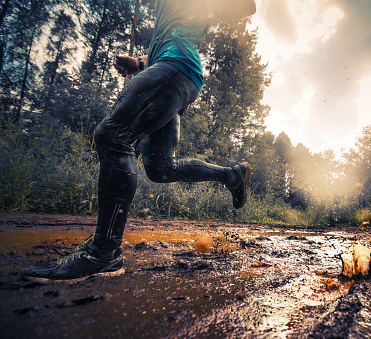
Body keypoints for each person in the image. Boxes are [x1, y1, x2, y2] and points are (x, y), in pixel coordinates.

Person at [21, 0, 256, 284]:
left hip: (177, 69)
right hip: (172, 71)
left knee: (114, 135)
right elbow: (171, 34)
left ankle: (103, 253)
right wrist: (141, 64)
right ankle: (231, 176)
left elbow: (246, 6)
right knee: (161, 168)